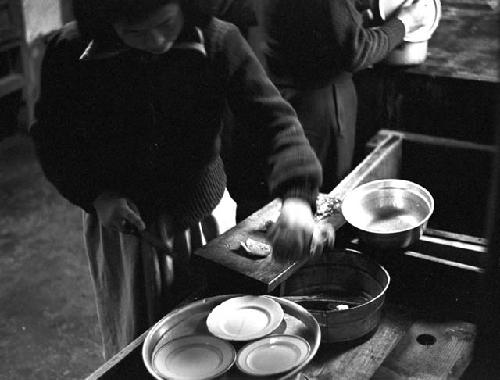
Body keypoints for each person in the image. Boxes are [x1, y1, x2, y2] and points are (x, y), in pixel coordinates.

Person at [30, 0, 327, 359]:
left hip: (203, 219)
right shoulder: (71, 52)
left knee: (219, 333)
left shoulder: (218, 41)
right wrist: (96, 197)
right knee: (143, 343)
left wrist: (296, 198)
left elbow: (276, 124)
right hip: (123, 229)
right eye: (135, 32)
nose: (156, 41)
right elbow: (53, 142)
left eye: (166, 23)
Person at [228, 0, 428, 221]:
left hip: (259, 94)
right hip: (313, 109)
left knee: (260, 216)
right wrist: (405, 22)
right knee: (321, 210)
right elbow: (356, 50)